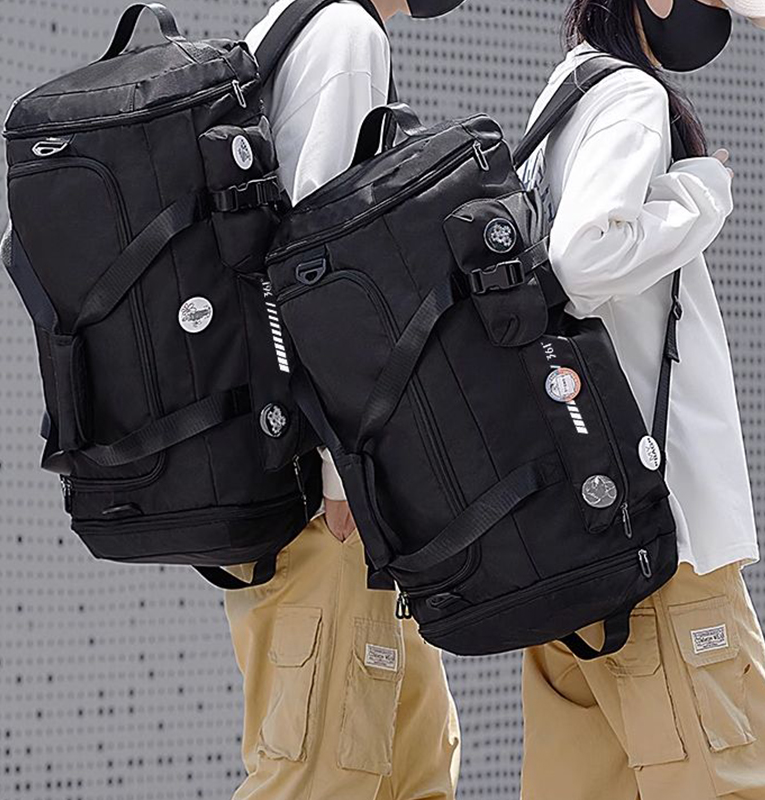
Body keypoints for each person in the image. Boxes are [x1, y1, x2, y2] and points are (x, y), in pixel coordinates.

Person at [519, 1, 765, 798]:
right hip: (662, 541)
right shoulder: (629, 93)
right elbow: (584, 258)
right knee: (729, 779)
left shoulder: (565, 96)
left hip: (579, 535)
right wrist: (704, 193)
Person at [222, 2, 464, 798]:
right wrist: (340, 471)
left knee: (410, 766)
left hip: (310, 477)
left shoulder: (282, 31)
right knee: (323, 773)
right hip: (329, 495)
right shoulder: (345, 35)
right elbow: (317, 266)